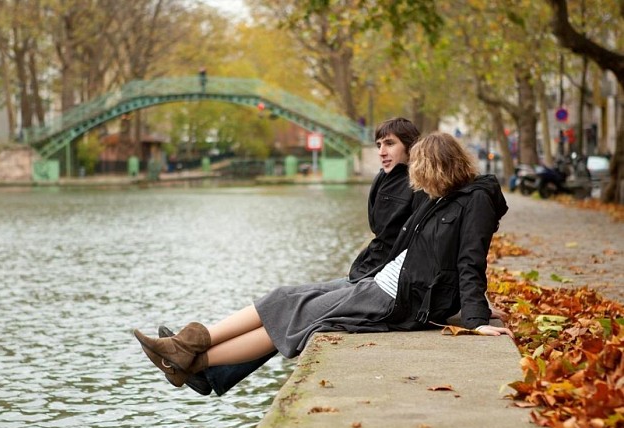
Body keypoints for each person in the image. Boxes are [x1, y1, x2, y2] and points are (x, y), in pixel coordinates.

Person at [134, 132, 512, 389]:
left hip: (396, 300)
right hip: (382, 285)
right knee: (286, 299)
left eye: (421, 168)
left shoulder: (474, 200)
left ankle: (193, 362)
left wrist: (477, 319)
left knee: (296, 318)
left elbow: (469, 261)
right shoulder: (445, 197)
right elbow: (402, 244)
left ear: (438, 166)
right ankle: (189, 348)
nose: (416, 177)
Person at [159, 117, 426, 396]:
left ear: (411, 147)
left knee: (291, 309)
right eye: (379, 144)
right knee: (284, 303)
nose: (382, 151)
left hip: (378, 285)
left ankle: (194, 359)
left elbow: (397, 243)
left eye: (390, 144)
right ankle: (194, 356)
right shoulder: (385, 179)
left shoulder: (410, 185)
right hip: (370, 277)